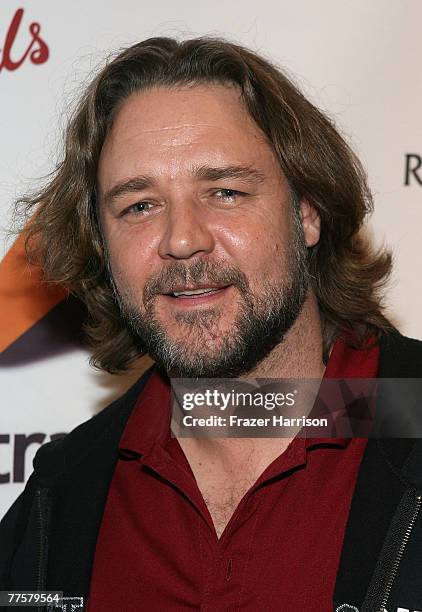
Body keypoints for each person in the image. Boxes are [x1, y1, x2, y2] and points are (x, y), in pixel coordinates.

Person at [1, 36, 422, 612]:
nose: (181, 239)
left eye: (225, 192)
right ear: (101, 244)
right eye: (139, 206)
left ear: (308, 213)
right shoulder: (62, 498)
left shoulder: (407, 415)